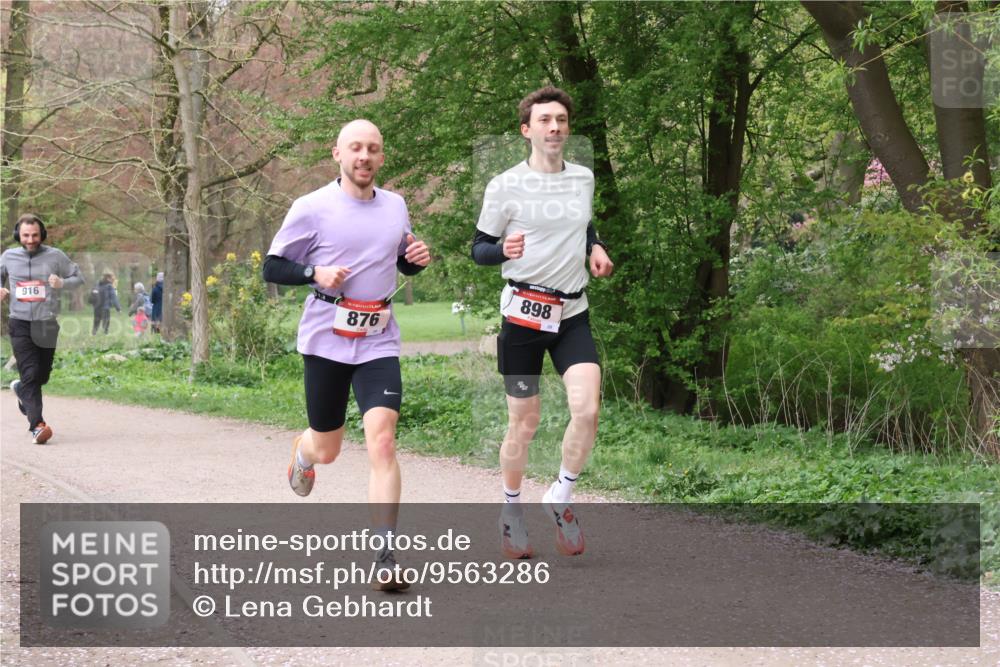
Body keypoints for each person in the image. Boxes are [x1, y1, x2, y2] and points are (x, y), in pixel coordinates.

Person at [262, 119, 430, 590]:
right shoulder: (312, 207)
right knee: (329, 447)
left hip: (378, 337)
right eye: (355, 148)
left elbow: (396, 255)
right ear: (336, 153)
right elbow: (272, 267)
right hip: (326, 339)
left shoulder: (396, 205)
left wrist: (412, 258)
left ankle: (385, 555)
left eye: (373, 149)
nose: (364, 157)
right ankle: (304, 451)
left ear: (381, 157)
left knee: (382, 440)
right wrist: (315, 271)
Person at [471, 86, 614, 558]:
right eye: (545, 120)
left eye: (561, 120)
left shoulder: (583, 178)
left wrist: (595, 246)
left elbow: (585, 223)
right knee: (525, 424)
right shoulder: (505, 185)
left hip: (572, 313)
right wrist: (502, 250)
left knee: (587, 409)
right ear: (526, 130)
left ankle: (560, 495)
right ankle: (511, 510)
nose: (555, 127)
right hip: (523, 317)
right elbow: (479, 248)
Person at [1, 213, 84, 444]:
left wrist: (63, 283)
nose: (30, 240)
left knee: (42, 374)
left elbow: (79, 278)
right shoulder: (8, 256)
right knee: (30, 373)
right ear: (18, 234)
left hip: (46, 322)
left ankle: (21, 390)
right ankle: (38, 425)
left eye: (34, 235)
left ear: (42, 234)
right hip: (19, 322)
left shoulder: (55, 256)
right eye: (25, 235)